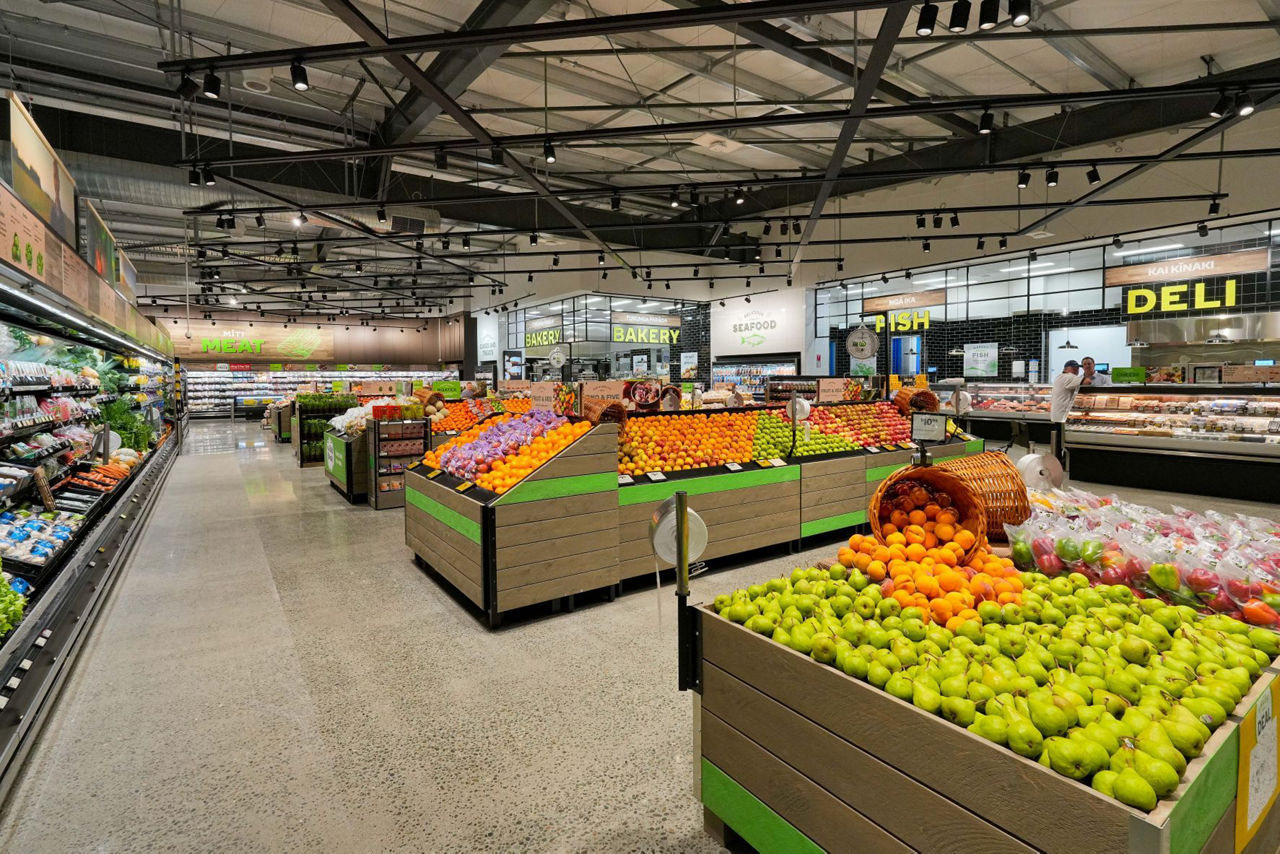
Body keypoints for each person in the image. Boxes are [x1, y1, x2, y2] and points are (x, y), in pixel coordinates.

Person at [1050, 359, 1083, 466]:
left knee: (1059, 440)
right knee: (1062, 441)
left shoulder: (1059, 377)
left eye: (1077, 368)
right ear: (1068, 369)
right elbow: (1086, 382)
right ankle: (1061, 463)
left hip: (1057, 414)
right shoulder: (1070, 377)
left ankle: (1059, 461)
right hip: (1063, 415)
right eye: (1075, 368)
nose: (1077, 370)